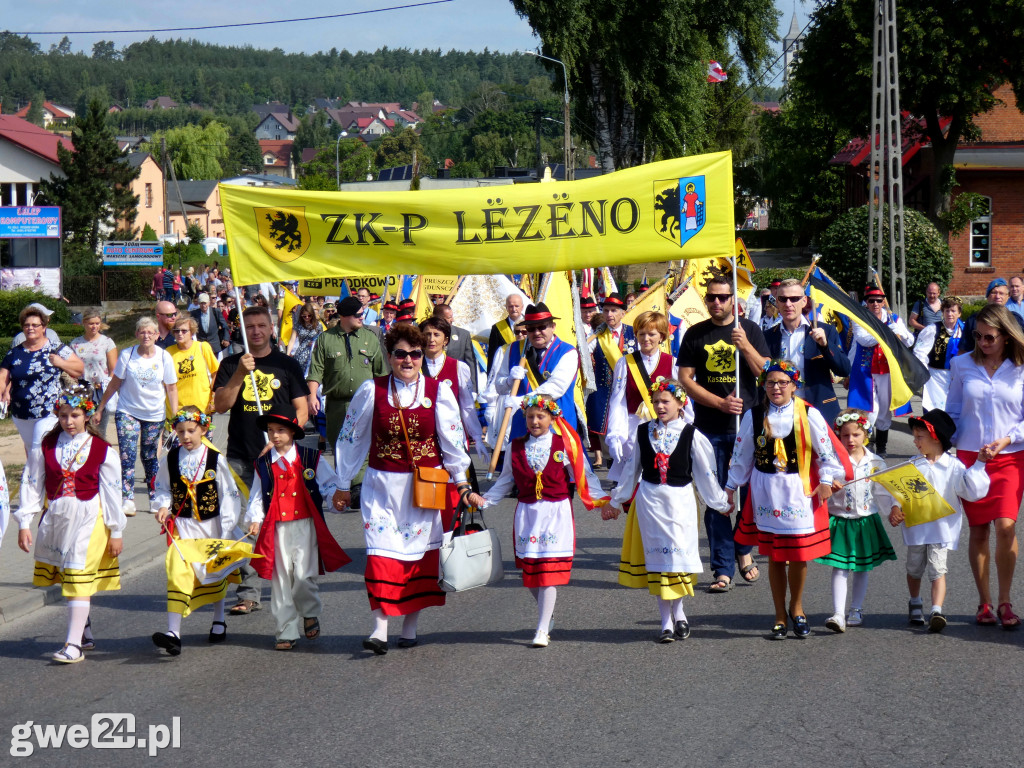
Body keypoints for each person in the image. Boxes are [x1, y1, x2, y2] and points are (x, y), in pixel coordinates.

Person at [335, 323, 473, 654]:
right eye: (400, 354)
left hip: (424, 488)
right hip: (381, 487)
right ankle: (380, 629)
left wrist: (463, 483)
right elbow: (351, 437)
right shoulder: (372, 390)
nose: (408, 360)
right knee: (381, 554)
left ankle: (409, 627)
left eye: (414, 353)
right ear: (390, 355)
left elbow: (452, 441)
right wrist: (342, 483)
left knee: (418, 559)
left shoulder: (439, 391)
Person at [470, 393, 607, 647]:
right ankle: (548, 612)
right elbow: (505, 481)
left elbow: (584, 476)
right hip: (528, 513)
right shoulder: (515, 447)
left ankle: (542, 628)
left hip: (556, 513)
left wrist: (602, 503)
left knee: (548, 572)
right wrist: (485, 500)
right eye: (530, 416)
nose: (535, 421)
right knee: (531, 573)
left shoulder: (564, 444)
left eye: (541, 416)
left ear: (552, 418)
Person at [727, 360, 848, 639]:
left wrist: (827, 480)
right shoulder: (753, 415)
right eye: (770, 383)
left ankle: (797, 608)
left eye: (783, 382)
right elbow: (741, 455)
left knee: (797, 554)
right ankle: (779, 614)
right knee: (775, 555)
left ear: (794, 385)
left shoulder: (808, 413)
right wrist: (730, 488)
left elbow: (827, 454)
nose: (776, 387)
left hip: (797, 490)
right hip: (765, 489)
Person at [603, 380, 730, 643]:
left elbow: (705, 474)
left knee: (677, 562)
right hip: (649, 502)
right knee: (660, 565)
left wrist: (719, 503)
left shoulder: (692, 434)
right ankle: (665, 622)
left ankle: (680, 612)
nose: (659, 406)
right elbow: (631, 471)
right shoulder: (642, 432)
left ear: (680, 403)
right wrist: (617, 501)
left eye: (665, 401)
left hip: (680, 502)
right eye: (656, 401)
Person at [214, 305, 310, 615]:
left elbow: (302, 409)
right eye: (250, 326)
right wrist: (241, 373)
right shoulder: (231, 364)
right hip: (241, 457)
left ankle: (292, 586)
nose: (255, 331)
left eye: (261, 325)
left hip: (279, 459)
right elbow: (220, 405)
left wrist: (283, 441)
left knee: (284, 525)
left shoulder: (287, 365)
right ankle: (249, 592)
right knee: (245, 526)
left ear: (271, 328)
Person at [14, 387, 122, 664]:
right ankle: (83, 631)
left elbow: (112, 491)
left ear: (87, 416)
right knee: (67, 577)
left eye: (75, 415)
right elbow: (31, 484)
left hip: (90, 518)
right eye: (63, 416)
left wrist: (116, 530)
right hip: (58, 517)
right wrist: (24, 523)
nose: (69, 421)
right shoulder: (46, 447)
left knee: (76, 574)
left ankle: (73, 645)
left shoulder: (102, 449)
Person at [677, 275, 769, 592]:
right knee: (717, 500)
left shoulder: (750, 331)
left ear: (733, 299)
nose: (717, 302)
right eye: (712, 297)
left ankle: (744, 551)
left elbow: (767, 373)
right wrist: (719, 402)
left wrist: (745, 347)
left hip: (749, 428)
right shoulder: (695, 335)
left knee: (749, 496)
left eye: (723, 296)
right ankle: (722, 567)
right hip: (710, 429)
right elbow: (685, 380)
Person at [244, 404, 350, 650]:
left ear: (293, 432)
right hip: (277, 528)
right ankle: (285, 631)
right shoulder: (263, 464)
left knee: (303, 576)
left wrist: (336, 499)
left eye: (281, 430)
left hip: (305, 525)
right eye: (271, 430)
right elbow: (257, 497)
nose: (275, 435)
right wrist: (254, 518)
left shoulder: (311, 458)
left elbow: (328, 485)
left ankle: (309, 610)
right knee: (280, 581)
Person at [946, 304, 1024, 628]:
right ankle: (984, 602)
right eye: (977, 336)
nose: (983, 342)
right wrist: (936, 440)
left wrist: (1007, 439)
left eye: (989, 336)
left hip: (1010, 457)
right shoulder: (960, 364)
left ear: (1006, 336)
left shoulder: (1021, 368)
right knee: (978, 531)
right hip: (970, 458)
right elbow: (952, 411)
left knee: (1006, 527)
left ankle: (1005, 601)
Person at [151, 408, 243, 655]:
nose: (186, 436)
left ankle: (219, 618)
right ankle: (173, 633)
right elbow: (162, 488)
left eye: (191, 431)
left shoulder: (216, 459)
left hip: (211, 527)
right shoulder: (170, 458)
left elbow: (229, 495)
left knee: (213, 572)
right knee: (177, 572)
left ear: (203, 429)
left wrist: (226, 528)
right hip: (183, 528)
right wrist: (162, 506)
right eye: (180, 431)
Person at [888, 409, 990, 632]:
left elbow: (971, 489)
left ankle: (936, 609)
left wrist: (980, 464)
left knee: (938, 569)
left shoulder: (954, 466)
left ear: (935, 437)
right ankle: (915, 602)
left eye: (919, 437)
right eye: (914, 437)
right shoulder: (912, 465)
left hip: (942, 529)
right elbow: (898, 491)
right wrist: (895, 508)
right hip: (916, 527)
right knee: (914, 569)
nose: (915, 442)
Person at [815, 409, 896, 633]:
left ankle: (856, 609)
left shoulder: (876, 462)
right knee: (840, 568)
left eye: (856, 435)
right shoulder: (832, 463)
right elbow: (819, 489)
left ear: (866, 435)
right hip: (840, 519)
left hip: (865, 521)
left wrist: (893, 509)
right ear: (838, 436)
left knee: (862, 568)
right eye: (845, 436)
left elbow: (882, 492)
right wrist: (830, 487)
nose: (850, 440)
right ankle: (838, 613)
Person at [307, 296, 387, 506]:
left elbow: (381, 373)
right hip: (337, 404)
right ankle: (348, 485)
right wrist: (312, 395)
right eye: (358, 314)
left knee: (364, 443)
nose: (363, 317)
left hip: (365, 404)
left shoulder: (370, 338)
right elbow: (316, 370)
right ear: (345, 316)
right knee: (340, 445)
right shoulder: (325, 339)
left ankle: (358, 487)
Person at [94, 317, 178, 517]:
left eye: (150, 332)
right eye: (142, 332)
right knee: (127, 454)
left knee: (150, 456)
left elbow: (172, 388)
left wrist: (175, 417)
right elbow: (115, 383)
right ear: (136, 334)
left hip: (154, 413)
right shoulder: (127, 355)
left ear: (157, 335)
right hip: (128, 411)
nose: (146, 335)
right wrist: (100, 408)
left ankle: (154, 496)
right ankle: (128, 498)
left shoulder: (164, 357)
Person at [0, 305, 84, 489]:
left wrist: (60, 362)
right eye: (27, 325)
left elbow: (79, 368)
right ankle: (49, 485)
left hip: (48, 410)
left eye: (35, 325)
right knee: (33, 452)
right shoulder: (14, 353)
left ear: (44, 326)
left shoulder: (56, 348)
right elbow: (3, 376)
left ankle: (30, 491)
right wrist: (2, 392)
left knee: (38, 449)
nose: (30, 328)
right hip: (21, 413)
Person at [605, 311, 690, 485]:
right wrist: (615, 435)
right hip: (632, 432)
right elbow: (618, 402)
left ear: (662, 336)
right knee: (634, 486)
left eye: (651, 334)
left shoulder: (672, 363)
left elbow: (683, 403)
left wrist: (685, 432)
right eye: (641, 333)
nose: (646, 338)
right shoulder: (625, 363)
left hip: (663, 434)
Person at [763, 278, 851, 426]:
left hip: (818, 410)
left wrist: (825, 345)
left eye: (794, 299)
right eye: (783, 299)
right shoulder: (768, 336)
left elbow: (844, 369)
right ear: (777, 302)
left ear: (804, 301)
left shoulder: (824, 331)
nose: (788, 304)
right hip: (781, 412)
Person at [494, 302, 580, 441]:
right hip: (523, 425)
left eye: (542, 327)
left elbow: (556, 387)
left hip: (556, 425)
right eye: (531, 329)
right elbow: (499, 386)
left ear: (553, 327)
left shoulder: (568, 352)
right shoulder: (512, 349)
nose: (537, 333)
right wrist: (509, 379)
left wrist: (522, 400)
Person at [847, 285, 914, 454]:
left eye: (879, 300)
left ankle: (882, 447)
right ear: (866, 302)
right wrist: (885, 332)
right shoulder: (860, 318)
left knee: (884, 409)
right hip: (865, 371)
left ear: (884, 301)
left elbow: (909, 342)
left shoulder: (894, 319)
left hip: (887, 370)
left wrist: (902, 333)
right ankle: (867, 445)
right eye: (871, 301)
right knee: (870, 410)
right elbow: (864, 340)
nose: (875, 304)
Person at [587, 293, 636, 468]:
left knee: (630, 433)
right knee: (609, 434)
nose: (609, 315)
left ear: (623, 313)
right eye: (606, 311)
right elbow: (583, 351)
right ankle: (613, 470)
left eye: (614, 310)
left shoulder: (634, 333)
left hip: (630, 391)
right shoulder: (598, 335)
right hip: (605, 392)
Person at [70, 309, 118, 438]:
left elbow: (114, 369)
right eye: (91, 323)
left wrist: (109, 387)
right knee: (82, 427)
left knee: (99, 428)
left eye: (97, 323)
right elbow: (71, 367)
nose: (94, 326)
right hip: (82, 390)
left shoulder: (107, 342)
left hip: (100, 390)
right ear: (84, 323)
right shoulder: (75, 343)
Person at [912, 296, 964, 411]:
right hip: (935, 378)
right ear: (943, 312)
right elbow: (920, 352)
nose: (950, 314)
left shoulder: (964, 331)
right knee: (934, 409)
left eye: (953, 311)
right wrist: (924, 371)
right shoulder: (933, 329)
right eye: (947, 311)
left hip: (958, 377)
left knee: (956, 410)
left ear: (959, 313)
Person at [166, 316, 219, 417]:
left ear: (192, 332)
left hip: (201, 408)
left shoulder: (202, 347)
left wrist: (214, 397)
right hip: (177, 410)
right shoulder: (168, 352)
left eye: (184, 331)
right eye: (177, 331)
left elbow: (215, 373)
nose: (180, 334)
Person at [961, 278, 1024, 354]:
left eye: (1001, 293)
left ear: (1008, 296)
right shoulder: (974, 319)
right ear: (987, 296)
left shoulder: (1015, 319)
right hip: (980, 362)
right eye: (993, 293)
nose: (997, 296)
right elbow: (964, 349)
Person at [433, 304, 478, 391]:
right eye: (449, 317)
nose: (452, 320)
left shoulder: (463, 335)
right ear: (439, 318)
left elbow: (470, 364)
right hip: (432, 385)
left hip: (456, 386)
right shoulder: (425, 333)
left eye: (452, 316)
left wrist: (473, 389)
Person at [487, 293, 526, 372]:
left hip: (527, 369)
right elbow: (492, 355)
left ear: (522, 307)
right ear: (506, 308)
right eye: (511, 306)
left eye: (517, 306)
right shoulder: (497, 328)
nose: (514, 309)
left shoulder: (532, 324)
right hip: (505, 371)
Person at [286, 302, 322, 376]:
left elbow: (322, 339)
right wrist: (287, 355)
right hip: (301, 354)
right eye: (304, 316)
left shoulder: (318, 325)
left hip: (314, 354)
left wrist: (315, 343)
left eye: (309, 316)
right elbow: (292, 340)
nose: (307, 318)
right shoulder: (298, 325)